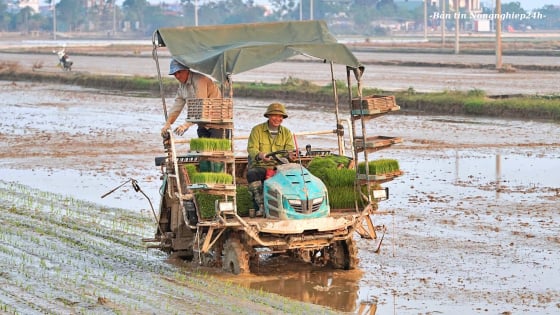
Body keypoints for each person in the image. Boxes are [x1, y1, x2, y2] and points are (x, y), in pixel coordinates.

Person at [246, 103, 295, 216]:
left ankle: (290, 207)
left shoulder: (287, 133)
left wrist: (291, 155)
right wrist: (261, 155)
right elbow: (251, 148)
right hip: (261, 166)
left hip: (280, 167)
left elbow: (289, 150)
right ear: (268, 116)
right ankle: (261, 206)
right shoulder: (257, 130)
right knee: (252, 174)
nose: (277, 119)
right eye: (274, 115)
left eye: (280, 116)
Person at [161, 59, 222, 138]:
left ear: (187, 70)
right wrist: (168, 123)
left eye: (179, 72)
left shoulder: (199, 81)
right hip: (202, 123)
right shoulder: (182, 85)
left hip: (217, 123)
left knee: (216, 149)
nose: (177, 76)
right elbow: (177, 105)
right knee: (201, 149)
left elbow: (201, 107)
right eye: (174, 74)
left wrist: (186, 125)